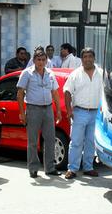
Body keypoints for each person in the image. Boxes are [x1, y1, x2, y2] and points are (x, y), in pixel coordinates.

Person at [16, 48, 62, 178]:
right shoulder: (27, 73)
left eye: (43, 60)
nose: (41, 62)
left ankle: (50, 168)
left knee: (50, 139)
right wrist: (22, 113)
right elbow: (19, 94)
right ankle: (33, 168)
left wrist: (58, 110)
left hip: (48, 109)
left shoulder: (50, 74)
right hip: (33, 109)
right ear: (34, 60)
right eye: (38, 60)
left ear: (46, 61)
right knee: (33, 140)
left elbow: (55, 93)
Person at [63, 48, 103, 179]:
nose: (87, 59)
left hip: (95, 113)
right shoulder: (76, 74)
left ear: (94, 58)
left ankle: (88, 167)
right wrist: (69, 110)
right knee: (76, 142)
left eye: (90, 56)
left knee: (91, 142)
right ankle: (72, 169)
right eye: (85, 57)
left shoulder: (101, 73)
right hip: (79, 112)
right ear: (81, 59)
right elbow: (67, 91)